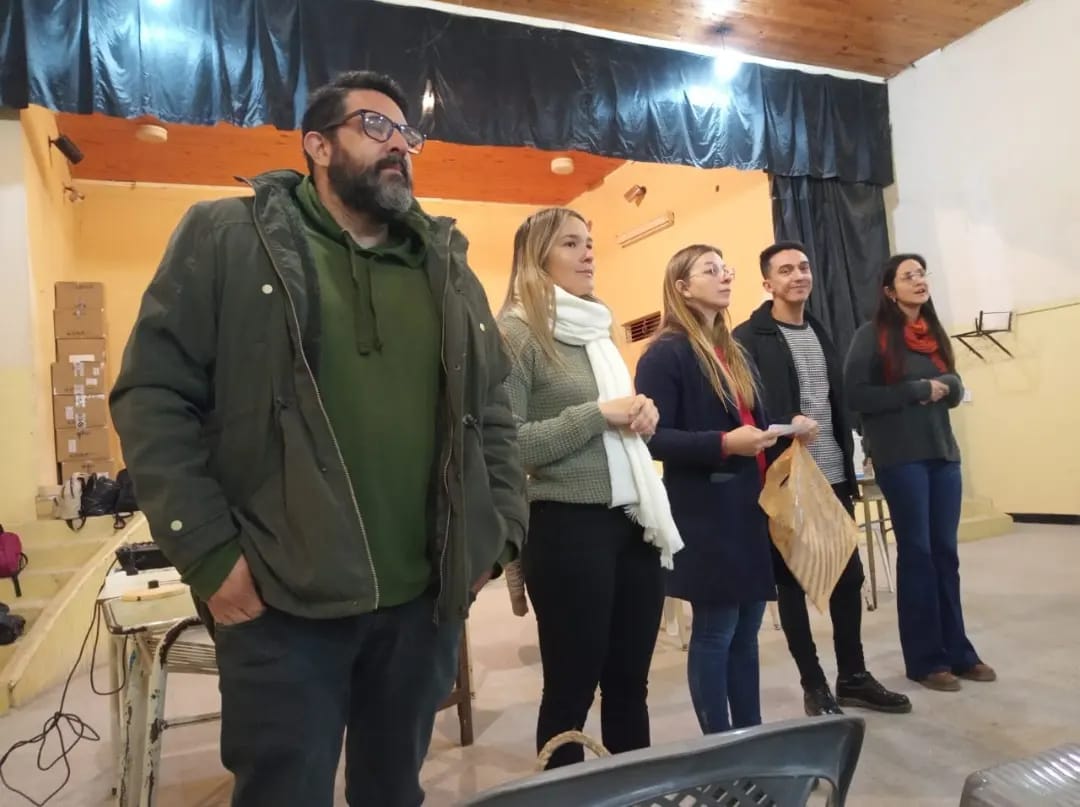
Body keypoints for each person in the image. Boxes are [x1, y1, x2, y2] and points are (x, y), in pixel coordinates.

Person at [110, 71, 528, 807]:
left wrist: (495, 537)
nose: (398, 144)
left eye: (407, 134)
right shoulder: (227, 238)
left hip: (421, 603)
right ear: (317, 145)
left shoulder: (445, 265)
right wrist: (208, 552)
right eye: (375, 126)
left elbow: (491, 404)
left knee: (393, 792)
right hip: (283, 604)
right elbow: (153, 396)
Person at [500, 207, 682, 769]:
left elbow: (615, 421)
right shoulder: (515, 333)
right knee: (570, 691)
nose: (588, 254)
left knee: (630, 684)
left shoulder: (596, 328)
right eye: (571, 244)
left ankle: (633, 794)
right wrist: (598, 414)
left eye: (589, 242)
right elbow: (506, 445)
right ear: (537, 258)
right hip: (565, 525)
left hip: (632, 519)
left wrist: (641, 414)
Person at [733, 242, 911, 717]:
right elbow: (742, 405)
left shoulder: (818, 329)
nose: (798, 275)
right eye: (785, 270)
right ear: (768, 282)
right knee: (793, 582)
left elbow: (835, 400)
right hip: (785, 476)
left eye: (804, 267)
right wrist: (784, 422)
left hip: (832, 472)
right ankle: (813, 684)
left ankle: (853, 677)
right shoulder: (748, 337)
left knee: (848, 577)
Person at [635, 245, 778, 734]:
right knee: (717, 630)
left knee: (748, 630)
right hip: (707, 510)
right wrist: (723, 443)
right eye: (710, 270)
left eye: (725, 268)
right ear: (682, 287)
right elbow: (652, 437)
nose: (724, 277)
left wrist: (784, 429)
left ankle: (751, 735)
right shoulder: (666, 353)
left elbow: (748, 421)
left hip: (749, 505)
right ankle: (719, 742)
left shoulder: (732, 350)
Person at [844, 253, 995, 692]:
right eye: (908, 276)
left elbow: (954, 385)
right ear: (890, 290)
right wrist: (916, 390)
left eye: (922, 274)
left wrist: (948, 387)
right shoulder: (871, 336)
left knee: (945, 553)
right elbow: (856, 395)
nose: (919, 280)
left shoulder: (932, 333)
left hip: (942, 455)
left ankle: (959, 653)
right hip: (901, 456)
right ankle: (926, 660)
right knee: (918, 554)